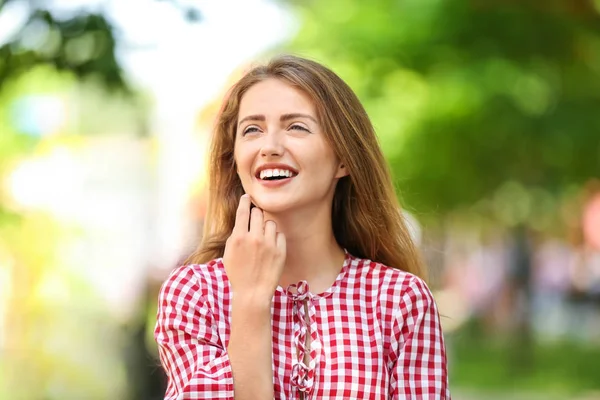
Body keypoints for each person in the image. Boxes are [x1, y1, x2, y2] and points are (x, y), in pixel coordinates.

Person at [154, 54, 451, 399]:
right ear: (234, 159)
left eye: (296, 127)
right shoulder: (194, 295)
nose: (270, 147)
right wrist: (250, 302)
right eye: (252, 130)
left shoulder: (400, 300)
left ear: (343, 158)